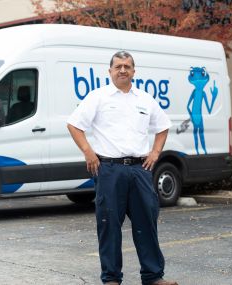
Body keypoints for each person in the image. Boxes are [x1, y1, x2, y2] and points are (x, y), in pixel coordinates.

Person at [67, 51, 178, 285]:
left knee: (146, 223)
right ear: (110, 71)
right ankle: (111, 279)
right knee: (109, 226)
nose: (123, 70)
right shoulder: (98, 97)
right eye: (118, 66)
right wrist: (88, 152)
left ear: (134, 71)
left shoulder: (145, 100)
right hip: (109, 170)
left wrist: (156, 152)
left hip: (140, 170)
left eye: (127, 66)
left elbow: (163, 125)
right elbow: (74, 125)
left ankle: (153, 277)